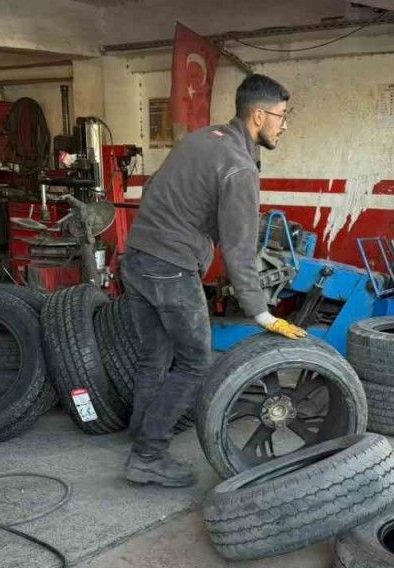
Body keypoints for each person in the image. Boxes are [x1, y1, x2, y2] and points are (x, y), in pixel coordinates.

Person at [120, 74, 306, 488]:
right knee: (195, 363)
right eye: (281, 116)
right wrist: (261, 313)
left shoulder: (203, 138)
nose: (285, 125)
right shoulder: (239, 167)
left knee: (155, 356)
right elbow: (239, 251)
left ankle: (141, 433)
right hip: (171, 268)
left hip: (136, 258)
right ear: (258, 116)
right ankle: (147, 456)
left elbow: (154, 189)